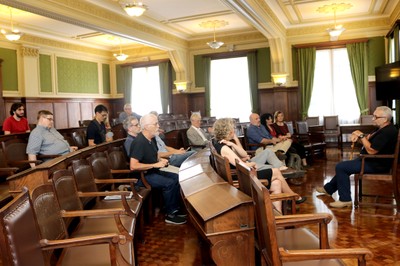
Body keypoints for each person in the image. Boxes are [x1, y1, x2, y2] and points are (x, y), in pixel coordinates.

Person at [212, 118, 306, 212]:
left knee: (277, 183)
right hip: (244, 177)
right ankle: (294, 197)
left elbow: (244, 155)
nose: (234, 130)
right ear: (227, 130)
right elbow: (242, 166)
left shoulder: (222, 143)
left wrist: (234, 142)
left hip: (244, 174)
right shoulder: (224, 148)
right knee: (276, 172)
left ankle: (277, 215)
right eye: (232, 128)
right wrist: (251, 163)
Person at [317, 106, 398, 208]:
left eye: (375, 117)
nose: (373, 119)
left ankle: (345, 200)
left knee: (341, 167)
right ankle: (328, 189)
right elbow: (366, 141)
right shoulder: (380, 129)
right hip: (370, 161)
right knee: (344, 166)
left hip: (377, 164)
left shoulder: (388, 131)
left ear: (385, 119)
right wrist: (358, 137)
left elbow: (372, 150)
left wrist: (361, 136)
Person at [129, 113, 187, 225]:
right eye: (155, 124)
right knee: (169, 183)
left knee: (176, 177)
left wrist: (160, 161)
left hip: (152, 171)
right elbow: (133, 166)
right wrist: (155, 165)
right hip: (142, 176)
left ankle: (173, 209)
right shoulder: (139, 142)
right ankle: (170, 215)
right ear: (146, 126)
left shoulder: (152, 138)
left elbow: (155, 155)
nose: (158, 126)